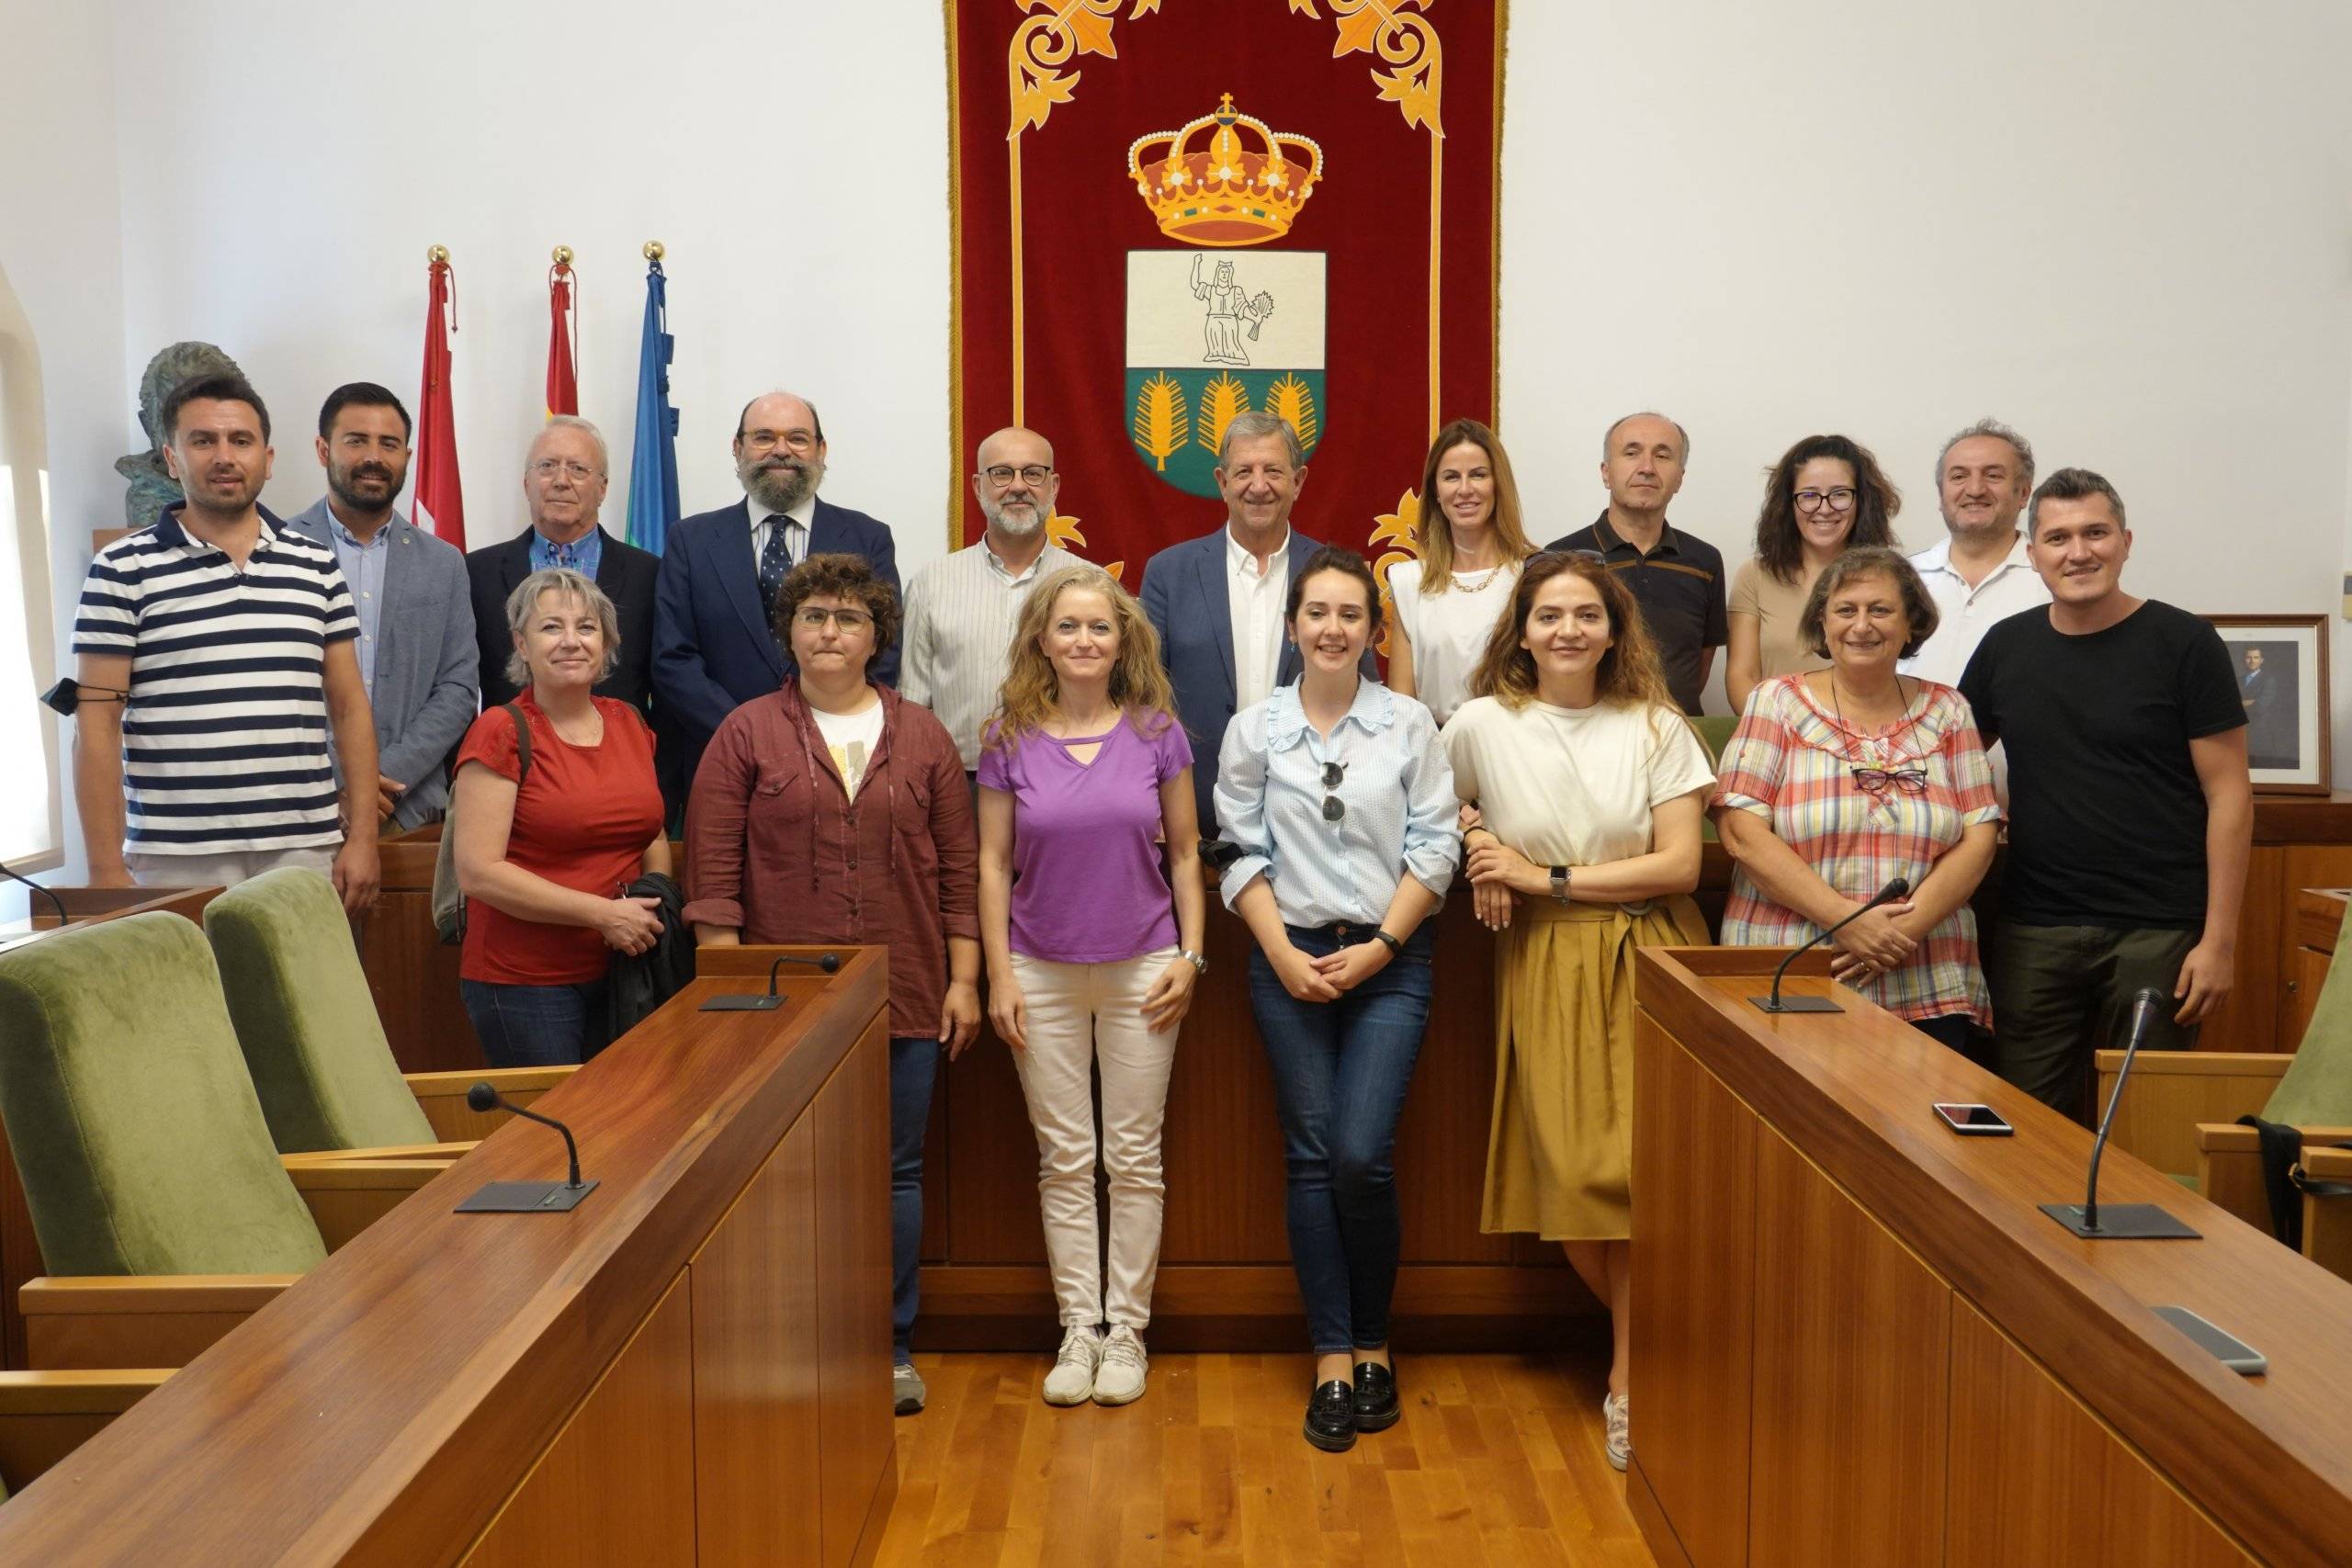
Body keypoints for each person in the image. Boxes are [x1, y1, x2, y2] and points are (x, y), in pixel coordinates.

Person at [684, 553, 977, 1419]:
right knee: (784, 1176)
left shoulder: (922, 734)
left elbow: (960, 870)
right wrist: (727, 988)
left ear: (877, 634)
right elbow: (710, 871)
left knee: (894, 1173)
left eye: (849, 617)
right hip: (778, 1001)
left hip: (909, 987)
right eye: (813, 615)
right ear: (790, 632)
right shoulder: (745, 732)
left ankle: (888, 1348)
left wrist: (965, 981)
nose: (830, 631)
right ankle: (791, 1345)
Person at [1442, 552, 1714, 1474]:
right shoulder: (1480, 722)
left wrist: (1541, 874)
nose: (1566, 630)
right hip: (1549, 958)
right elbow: (1433, 807)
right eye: (1548, 615)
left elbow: (1678, 864)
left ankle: (1633, 1380)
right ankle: (1672, 1349)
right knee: (1574, 1182)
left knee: (1645, 1178)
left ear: (1612, 628)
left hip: (1656, 953)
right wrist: (1480, 841)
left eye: (1585, 615)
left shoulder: (1656, 724)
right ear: (1519, 631)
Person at [1214, 547, 1456, 1452]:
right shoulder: (1254, 729)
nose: (1330, 628)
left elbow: (1435, 846)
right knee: (1312, 1155)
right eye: (1315, 612)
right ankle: (1330, 1358)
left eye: (1349, 614)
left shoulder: (1408, 725)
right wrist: (1279, 951)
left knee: (1361, 1155)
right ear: (1292, 628)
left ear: (1372, 631)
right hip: (1288, 957)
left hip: (1390, 958)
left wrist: (1384, 946)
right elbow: (1235, 848)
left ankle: (1373, 1343)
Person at [978, 564, 1205, 1410]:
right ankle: (1080, 1327)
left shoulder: (1157, 732)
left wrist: (1192, 954)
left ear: (1123, 641)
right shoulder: (1005, 735)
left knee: (1133, 1157)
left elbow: (1185, 852)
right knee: (1065, 1158)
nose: (1083, 640)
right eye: (1068, 626)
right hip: (1037, 967)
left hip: (1145, 965)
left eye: (1099, 627)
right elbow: (993, 863)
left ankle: (1128, 1333)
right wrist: (999, 973)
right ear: (1042, 637)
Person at [1960, 468, 2253, 1118]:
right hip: (2036, 924)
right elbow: (1949, 763)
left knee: (2144, 1126)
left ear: (2125, 540)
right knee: (2024, 1122)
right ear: (2031, 554)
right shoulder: (2006, 647)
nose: (2078, 551)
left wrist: (2220, 941)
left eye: (2095, 532)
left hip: (2162, 932)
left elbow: (2231, 796)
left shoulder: (2185, 643)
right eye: (2057, 537)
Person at [70, 373, 380, 909]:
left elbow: (350, 707)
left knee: (305, 997)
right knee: (186, 998)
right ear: (172, 458)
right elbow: (96, 722)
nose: (224, 456)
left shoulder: (315, 564)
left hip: (303, 850)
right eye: (202, 440)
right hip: (176, 857)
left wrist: (364, 840)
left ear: (268, 456)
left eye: (241, 440)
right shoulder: (121, 570)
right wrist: (103, 870)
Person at [1713, 547, 2000, 1053]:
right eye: (1845, 610)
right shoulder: (1775, 702)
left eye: (1881, 609)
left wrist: (1895, 933)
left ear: (1911, 622)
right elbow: (1741, 831)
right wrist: (1847, 922)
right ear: (1821, 625)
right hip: (1792, 971)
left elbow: (1981, 836)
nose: (1862, 625)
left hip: (1925, 972)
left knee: (1922, 1130)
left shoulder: (1950, 710)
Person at [450, 568, 669, 1068]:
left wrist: (653, 907)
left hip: (623, 972)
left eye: (586, 628)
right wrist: (603, 915)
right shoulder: (501, 730)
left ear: (608, 643)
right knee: (554, 1140)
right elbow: (479, 872)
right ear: (521, 645)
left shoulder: (630, 720)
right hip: (525, 982)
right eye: (551, 627)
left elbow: (649, 828)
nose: (571, 641)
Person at [655, 391, 901, 793]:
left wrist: (815, 735)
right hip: (722, 759)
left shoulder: (867, 538)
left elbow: (882, 651)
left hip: (838, 763)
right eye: (765, 437)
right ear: (738, 448)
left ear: (821, 450)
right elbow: (673, 659)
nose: (782, 450)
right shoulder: (690, 540)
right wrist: (747, 736)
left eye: (798, 438)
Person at [1139, 411, 1371, 832]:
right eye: (1243, 471)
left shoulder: (1336, 574)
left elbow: (1365, 693)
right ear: (1222, 483)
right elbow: (1144, 696)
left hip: (1315, 817)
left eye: (1274, 472)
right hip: (1194, 816)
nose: (1258, 486)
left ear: (1298, 482)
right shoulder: (1169, 573)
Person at [283, 382, 480, 832]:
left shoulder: (443, 562)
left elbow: (458, 687)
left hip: (409, 808)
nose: (373, 456)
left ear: (407, 457)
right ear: (322, 448)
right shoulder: (276, 550)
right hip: (305, 804)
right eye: (356, 440)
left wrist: (381, 781)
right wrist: (342, 782)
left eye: (388, 444)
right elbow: (273, 688)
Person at [901, 427, 1080, 772]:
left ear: (1053, 487)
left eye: (1032, 473)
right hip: (957, 783)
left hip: (1065, 781)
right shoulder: (931, 582)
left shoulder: (1090, 584)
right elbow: (912, 705)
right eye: (1001, 473)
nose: (1017, 486)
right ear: (977, 486)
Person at [468, 417, 662, 722]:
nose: (561, 480)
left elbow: (664, 689)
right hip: (507, 760)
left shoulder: (650, 575)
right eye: (547, 466)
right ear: (526, 483)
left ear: (602, 488)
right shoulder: (476, 573)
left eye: (578, 468)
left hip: (616, 760)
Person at [1544, 412, 1726, 717]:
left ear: (1680, 478)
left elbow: (1699, 664)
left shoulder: (1704, 561)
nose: (1647, 468)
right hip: (1587, 734)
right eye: (1631, 453)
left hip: (1679, 735)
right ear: (1606, 472)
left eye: (1663, 456)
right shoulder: (1562, 559)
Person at [1723, 434, 1902, 714]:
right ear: (1788, 503)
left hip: (1863, 740)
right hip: (1775, 736)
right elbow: (1740, 678)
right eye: (1809, 495)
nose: (1824, 508)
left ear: (1862, 502)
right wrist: (1781, 732)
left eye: (1840, 494)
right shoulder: (1754, 575)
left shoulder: (1889, 579)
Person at [1385, 419, 1534, 724]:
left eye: (1478, 475)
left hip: (1514, 748)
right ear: (1435, 493)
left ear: (1498, 484)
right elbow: (1402, 706)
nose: (1465, 489)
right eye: (1451, 477)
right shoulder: (1409, 582)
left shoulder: (1532, 575)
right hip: (1434, 751)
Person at [1901, 418, 2051, 687]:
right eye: (1959, 476)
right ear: (1941, 494)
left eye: (1993, 475)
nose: (1975, 489)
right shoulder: (1901, 578)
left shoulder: (2053, 580)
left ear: (2024, 493)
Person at [2241, 648, 2293, 770]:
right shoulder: (2238, 680)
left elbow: (2259, 707)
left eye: (2256, 657)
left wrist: (2240, 704)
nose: (2252, 661)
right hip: (2240, 733)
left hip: (2259, 733)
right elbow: (2228, 706)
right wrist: (2248, 702)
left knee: (2259, 767)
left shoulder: (2268, 680)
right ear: (2244, 660)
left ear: (2261, 660)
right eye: (2249, 657)